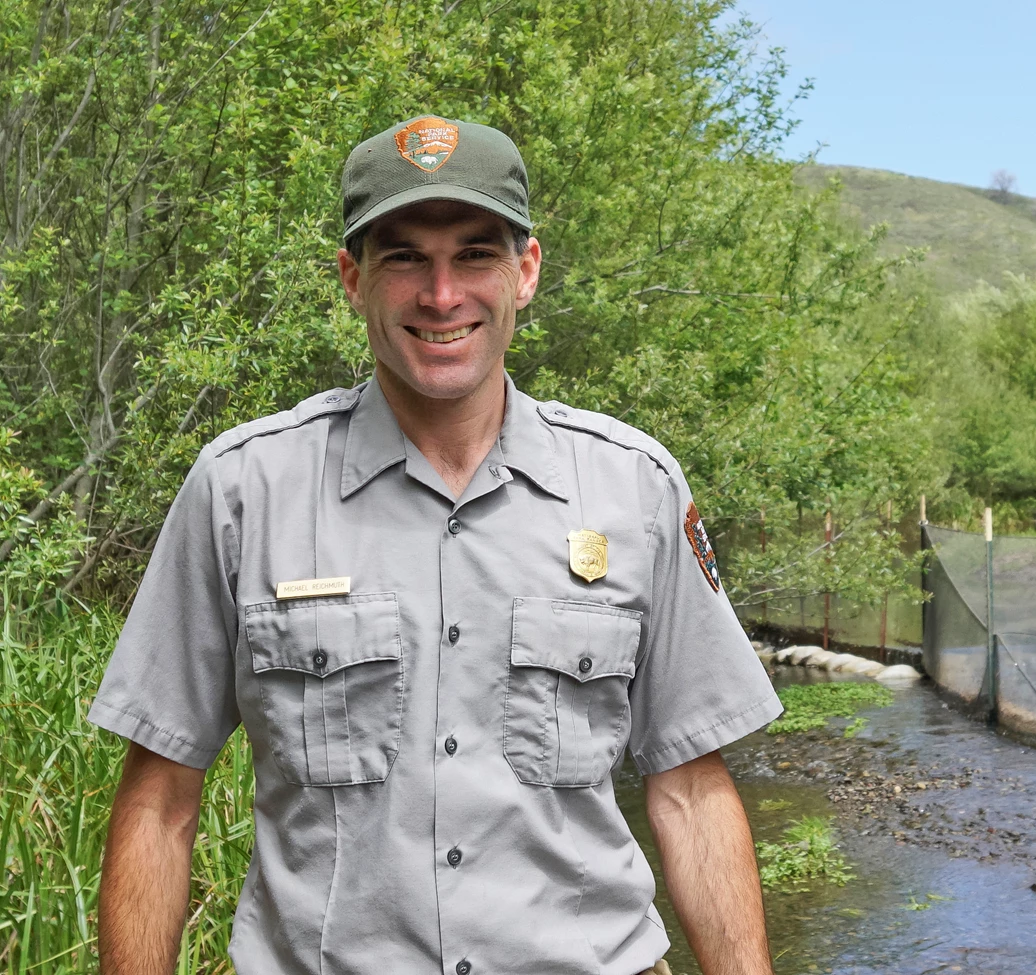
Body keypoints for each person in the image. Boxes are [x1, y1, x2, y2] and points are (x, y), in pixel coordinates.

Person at [91, 114, 783, 975]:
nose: (443, 294)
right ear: (353, 278)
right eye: (405, 256)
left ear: (525, 272)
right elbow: (160, 799)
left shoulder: (635, 488)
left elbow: (689, 790)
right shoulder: (243, 490)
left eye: (476, 254)